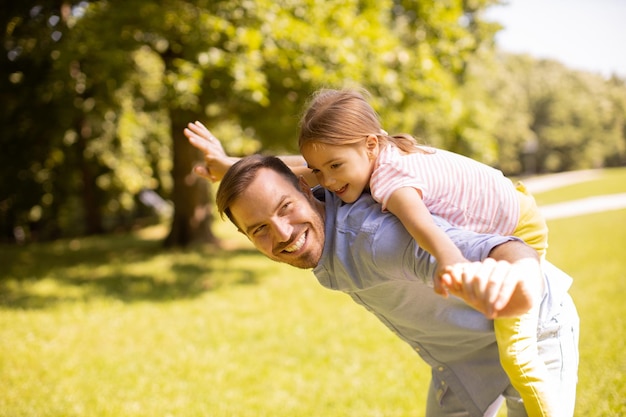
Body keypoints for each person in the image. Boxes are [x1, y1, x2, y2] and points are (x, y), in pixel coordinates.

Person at [185, 129, 579, 416]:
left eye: (285, 208)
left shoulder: (375, 238)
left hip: (533, 330)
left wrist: (516, 284)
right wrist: (230, 166)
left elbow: (508, 249)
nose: (283, 234)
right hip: (461, 361)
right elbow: (285, 176)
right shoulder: (326, 198)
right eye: (259, 230)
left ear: (307, 190)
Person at [296, 88, 554, 416]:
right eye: (318, 171)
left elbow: (422, 226)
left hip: (518, 230)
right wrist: (232, 167)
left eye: (335, 165)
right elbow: (303, 166)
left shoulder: (391, 182)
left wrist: (451, 262)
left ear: (370, 145)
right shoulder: (385, 149)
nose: (327, 181)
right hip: (515, 200)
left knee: (517, 355)